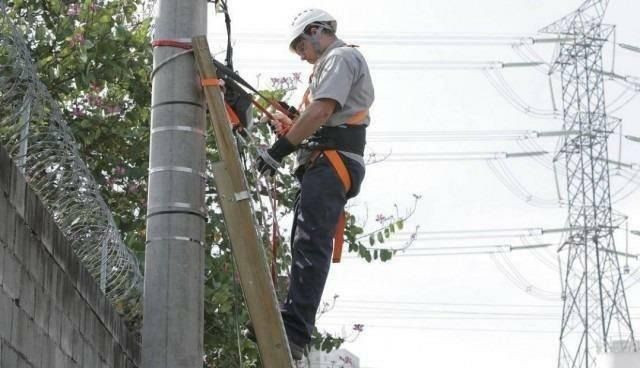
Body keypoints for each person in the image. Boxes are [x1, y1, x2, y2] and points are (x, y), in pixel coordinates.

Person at [256, 8, 375, 360]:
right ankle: (293, 321)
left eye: (301, 48)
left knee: (311, 243)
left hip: (333, 162)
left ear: (316, 31)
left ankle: (295, 331)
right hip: (323, 161)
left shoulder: (340, 57)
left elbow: (321, 112)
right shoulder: (327, 67)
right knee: (304, 243)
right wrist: (292, 126)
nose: (303, 56)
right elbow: (317, 117)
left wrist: (280, 149)